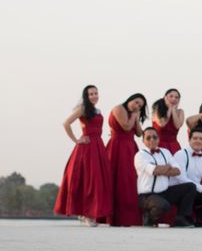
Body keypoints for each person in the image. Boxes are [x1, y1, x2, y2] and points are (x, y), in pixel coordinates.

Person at [54, 85, 112, 226]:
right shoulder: (83, 108)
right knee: (89, 180)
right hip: (87, 146)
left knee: (97, 180)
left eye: (96, 93)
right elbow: (66, 123)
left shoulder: (97, 110)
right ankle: (87, 215)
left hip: (98, 145)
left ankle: (89, 213)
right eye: (90, 94)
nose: (94, 96)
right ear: (86, 96)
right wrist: (76, 139)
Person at [135, 127, 196, 227]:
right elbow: (154, 171)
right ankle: (149, 216)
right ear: (143, 140)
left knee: (190, 187)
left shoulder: (165, 152)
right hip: (147, 195)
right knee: (163, 205)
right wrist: (167, 167)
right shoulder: (140, 155)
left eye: (155, 137)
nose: (152, 140)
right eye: (148, 138)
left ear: (158, 139)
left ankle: (181, 219)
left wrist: (161, 169)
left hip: (164, 192)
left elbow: (177, 171)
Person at [105, 93, 147, 226]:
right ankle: (112, 216)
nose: (137, 106)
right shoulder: (119, 108)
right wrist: (134, 115)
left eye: (140, 105)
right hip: (117, 146)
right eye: (136, 102)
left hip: (130, 147)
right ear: (129, 100)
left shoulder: (134, 114)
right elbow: (126, 126)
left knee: (130, 180)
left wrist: (137, 118)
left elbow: (140, 133)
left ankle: (130, 217)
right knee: (116, 179)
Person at [152, 88, 184, 154]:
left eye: (176, 97)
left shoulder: (180, 112)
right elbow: (162, 124)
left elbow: (177, 126)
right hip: (158, 144)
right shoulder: (157, 109)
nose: (174, 99)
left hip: (174, 145)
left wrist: (173, 110)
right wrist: (169, 109)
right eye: (171, 96)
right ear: (165, 98)